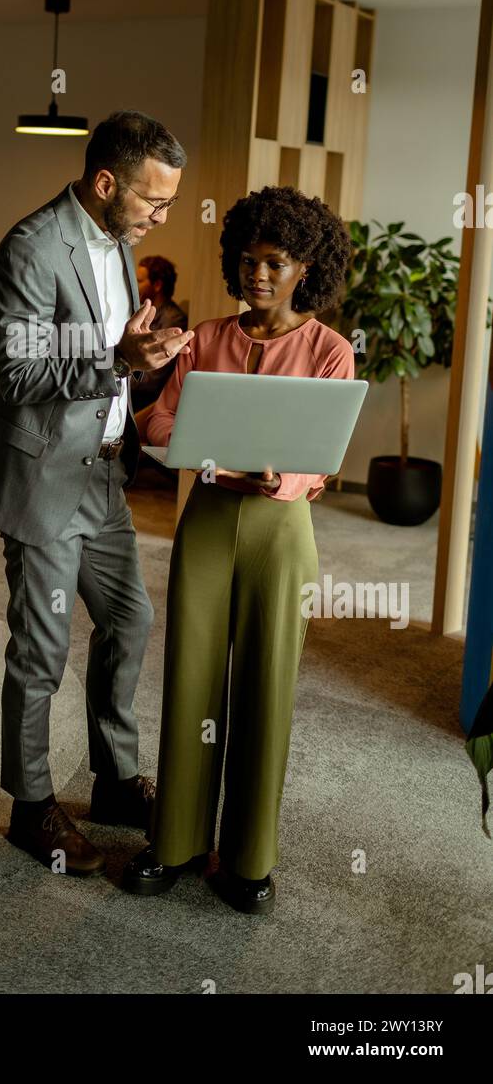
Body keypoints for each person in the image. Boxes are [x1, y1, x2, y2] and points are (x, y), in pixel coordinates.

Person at [0, 111, 195, 876]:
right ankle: (31, 807)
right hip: (42, 476)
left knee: (130, 620)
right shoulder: (29, 249)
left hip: (102, 473)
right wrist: (115, 359)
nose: (161, 217)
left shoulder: (120, 246)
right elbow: (23, 378)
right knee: (42, 649)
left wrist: (143, 364)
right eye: (153, 203)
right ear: (106, 183)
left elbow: (110, 357)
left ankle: (116, 781)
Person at [123, 185, 354, 914]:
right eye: (248, 259)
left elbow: (324, 461)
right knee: (191, 680)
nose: (258, 274)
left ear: (305, 268)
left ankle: (249, 863)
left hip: (281, 536)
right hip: (208, 523)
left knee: (266, 690)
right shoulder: (207, 337)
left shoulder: (329, 351)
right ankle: (177, 844)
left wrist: (282, 477)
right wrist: (202, 451)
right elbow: (157, 423)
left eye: (275, 262)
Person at [131, 256, 188, 411]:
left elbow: (153, 378)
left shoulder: (174, 319)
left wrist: (118, 374)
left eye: (139, 281)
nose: (134, 285)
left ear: (157, 285)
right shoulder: (141, 311)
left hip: (147, 404)